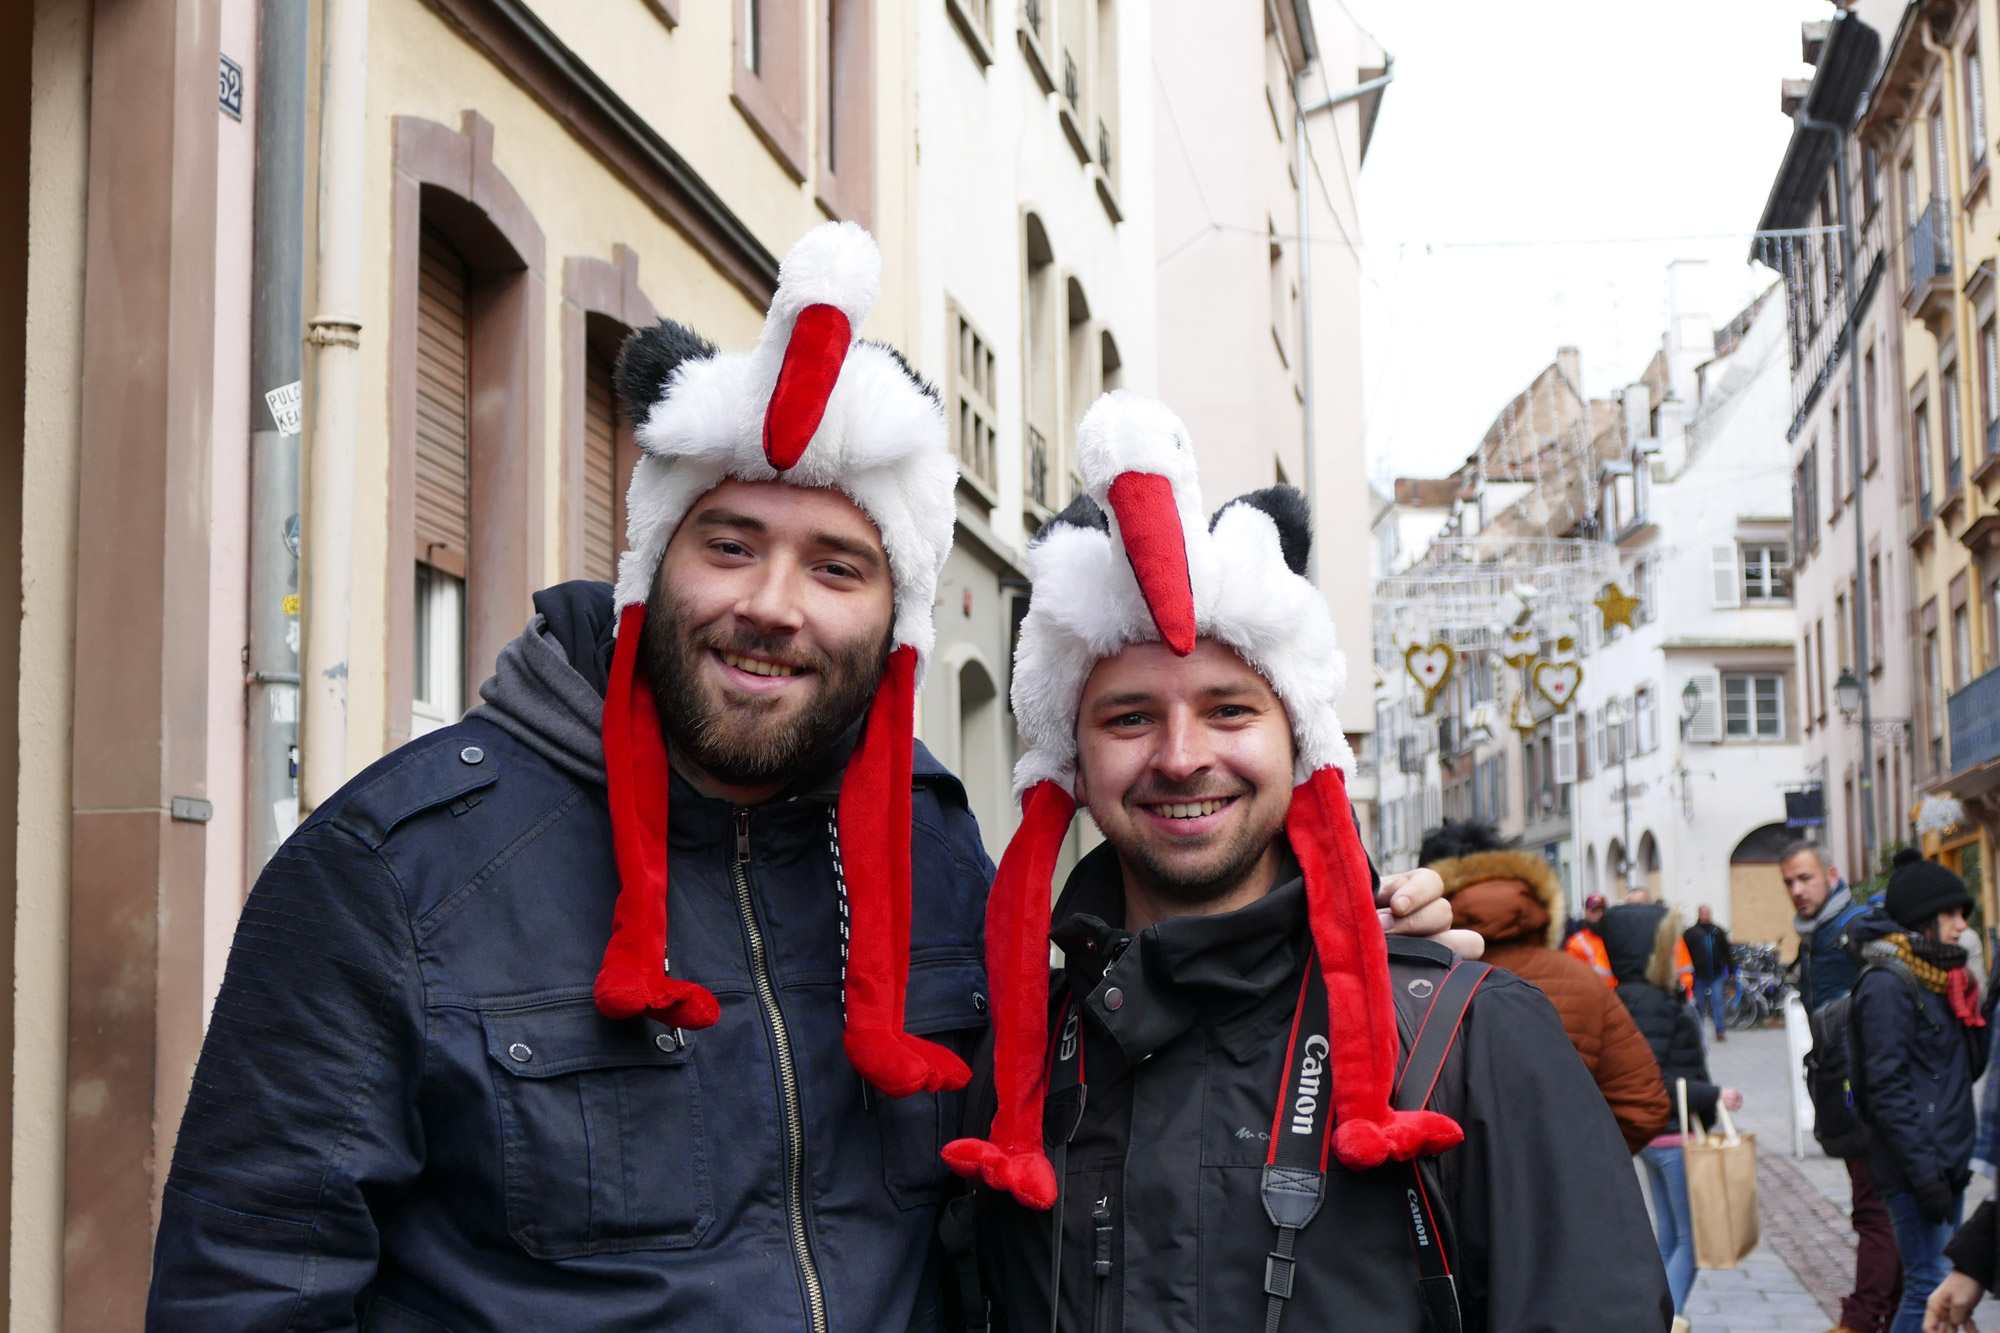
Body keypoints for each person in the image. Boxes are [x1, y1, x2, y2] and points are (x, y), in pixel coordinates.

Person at [144, 227, 1455, 1330]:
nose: (774, 606)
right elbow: (249, 1289)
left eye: (836, 565)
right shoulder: (396, 873)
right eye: (731, 543)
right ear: (655, 562)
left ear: (895, 617)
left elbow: (1128, 1074)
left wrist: (1343, 930)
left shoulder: (940, 859)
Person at [946, 394, 1670, 1331]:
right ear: (1072, 766)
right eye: (1129, 716)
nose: (1180, 755)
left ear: (1300, 744)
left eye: (1230, 709)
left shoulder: (1471, 1041)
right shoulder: (1016, 1063)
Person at [1419, 820, 1670, 1152]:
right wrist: (1567, 1171)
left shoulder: (1409, 982)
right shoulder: (1582, 979)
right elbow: (1643, 1108)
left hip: (1438, 1199)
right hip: (1562, 1195)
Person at [1851, 860, 1988, 1333]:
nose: (1961, 925)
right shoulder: (1888, 984)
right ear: (1922, 918)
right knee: (1927, 1284)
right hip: (1915, 1167)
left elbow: (1964, 1070)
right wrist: (1924, 1175)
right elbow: (1884, 1089)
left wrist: (1985, 1008)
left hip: (1948, 1159)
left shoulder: (1945, 978)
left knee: (1936, 1285)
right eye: (1951, 913)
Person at [1601, 900, 1745, 1321]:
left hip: (1655, 1136)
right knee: (1695, 1242)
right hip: (1672, 1133)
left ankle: (1657, 1315)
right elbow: (1653, 1081)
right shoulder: (1650, 1001)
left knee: (1670, 1239)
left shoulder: (1627, 996)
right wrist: (1715, 1094)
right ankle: (1665, 1320)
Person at [1786, 839, 1902, 1333]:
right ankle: (1888, 1314)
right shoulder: (1814, 936)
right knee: (1877, 1210)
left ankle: (1862, 1319)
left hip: (1871, 1094)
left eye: (1805, 878)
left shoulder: (1854, 928)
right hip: (1847, 1091)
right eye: (1789, 881)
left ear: (1831, 874)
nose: (1797, 890)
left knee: (1875, 1212)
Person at [1685, 904, 1733, 1041]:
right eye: (1704, 914)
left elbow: (1727, 951)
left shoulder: (1717, 931)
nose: (1706, 916)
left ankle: (1720, 1030)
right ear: (1699, 914)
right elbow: (1685, 954)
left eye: (1708, 913)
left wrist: (1730, 968)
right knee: (1699, 1004)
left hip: (1716, 975)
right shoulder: (1692, 933)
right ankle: (1698, 1031)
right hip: (1698, 975)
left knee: (1717, 1002)